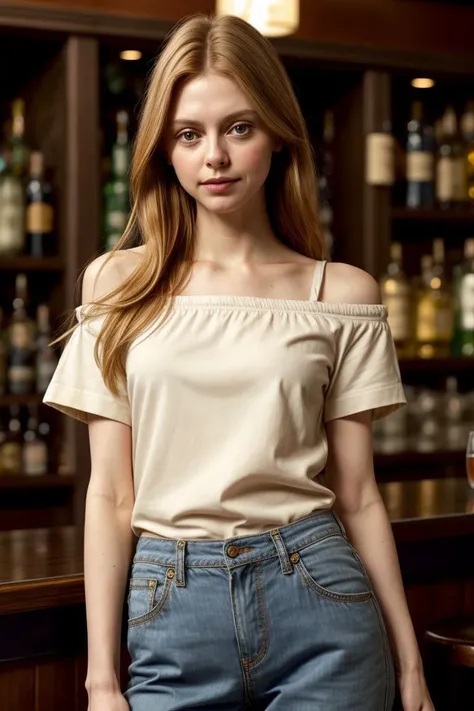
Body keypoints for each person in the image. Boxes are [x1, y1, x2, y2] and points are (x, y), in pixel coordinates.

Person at [44, 13, 434, 711]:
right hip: (171, 607)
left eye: (239, 128)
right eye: (190, 134)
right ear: (165, 149)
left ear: (278, 137)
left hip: (321, 599)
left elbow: (358, 493)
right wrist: (102, 678)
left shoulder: (340, 293)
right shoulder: (117, 284)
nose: (214, 156)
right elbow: (109, 494)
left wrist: (410, 666)